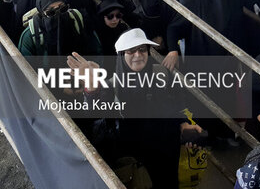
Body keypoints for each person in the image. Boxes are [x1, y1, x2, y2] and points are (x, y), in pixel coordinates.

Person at [68, 28, 203, 188]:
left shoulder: (161, 74)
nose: (138, 55)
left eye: (142, 49)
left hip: (166, 149)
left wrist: (183, 124)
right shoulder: (112, 85)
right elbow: (94, 112)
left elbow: (173, 104)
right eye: (131, 51)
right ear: (121, 55)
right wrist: (91, 88)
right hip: (135, 157)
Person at [18, 0, 100, 57]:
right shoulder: (30, 35)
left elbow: (96, 51)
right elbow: (25, 67)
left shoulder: (78, 20)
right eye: (51, 12)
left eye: (63, 9)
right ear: (42, 13)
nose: (58, 15)